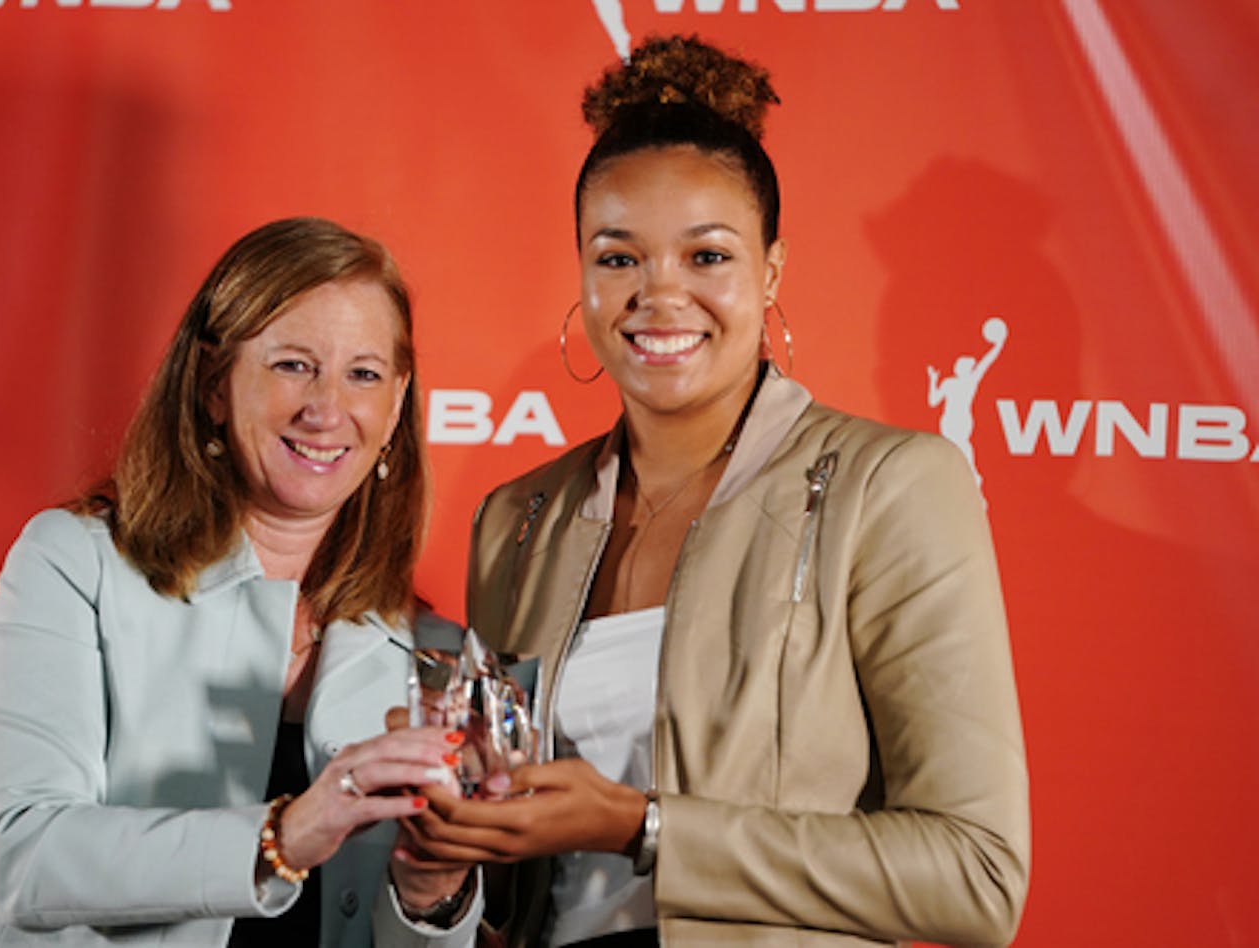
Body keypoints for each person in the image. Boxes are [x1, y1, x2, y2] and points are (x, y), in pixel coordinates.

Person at [397, 36, 1030, 947]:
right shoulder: (517, 520)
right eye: (619, 259)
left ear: (771, 270)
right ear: (580, 270)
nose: (660, 296)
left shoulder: (888, 487)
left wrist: (642, 825)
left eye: (707, 257)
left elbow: (977, 876)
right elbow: (514, 892)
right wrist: (443, 874)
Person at [0, 217, 478, 946]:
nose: (326, 409)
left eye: (362, 374)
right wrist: (279, 839)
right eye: (293, 364)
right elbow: (24, 854)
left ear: (395, 407)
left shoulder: (432, 653)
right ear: (212, 383)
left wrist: (433, 902)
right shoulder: (75, 564)